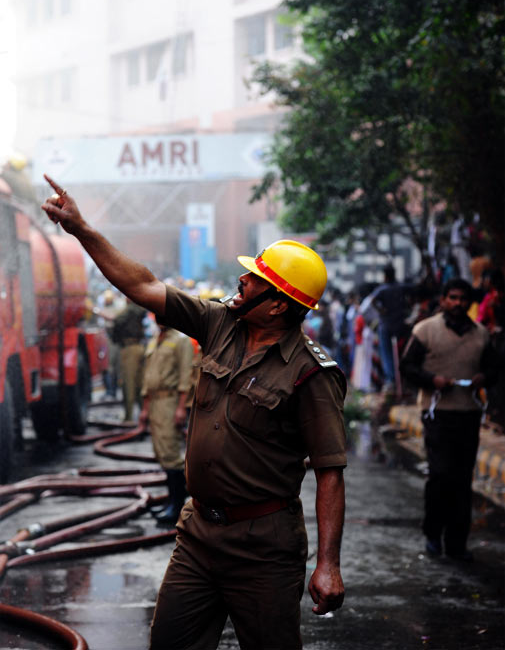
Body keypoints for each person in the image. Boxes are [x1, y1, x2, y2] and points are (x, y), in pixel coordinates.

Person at [41, 175, 347, 650]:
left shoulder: (310, 373)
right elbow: (142, 284)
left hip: (263, 548)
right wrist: (81, 229)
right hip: (199, 533)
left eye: (257, 279)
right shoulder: (218, 322)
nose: (242, 279)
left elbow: (330, 471)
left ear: (278, 307)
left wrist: (328, 564)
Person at [400, 278, 499, 561]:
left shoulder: (480, 334)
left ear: (469, 302)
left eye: (462, 299)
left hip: (468, 413)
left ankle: (457, 543)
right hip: (437, 414)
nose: (458, 303)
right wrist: (433, 380)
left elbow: (494, 368)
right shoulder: (425, 330)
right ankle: (433, 535)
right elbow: (407, 366)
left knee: (462, 480)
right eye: (453, 298)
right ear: (443, 300)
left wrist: (484, 377)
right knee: (440, 475)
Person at [141, 324, 195, 525]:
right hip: (154, 401)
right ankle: (171, 502)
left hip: (170, 401)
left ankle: (177, 505)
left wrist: (182, 407)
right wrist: (145, 409)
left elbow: (185, 376)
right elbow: (148, 378)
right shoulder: (156, 339)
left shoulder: (181, 340)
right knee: (161, 452)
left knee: (171, 453)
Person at [370, 265, 414, 394]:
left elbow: (372, 301)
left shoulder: (382, 289)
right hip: (400, 324)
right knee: (402, 352)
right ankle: (402, 379)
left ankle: (392, 380)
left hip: (386, 325)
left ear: (385, 276)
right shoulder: (401, 287)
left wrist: (382, 310)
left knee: (387, 353)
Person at [112, 297, 146, 421]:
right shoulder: (140, 310)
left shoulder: (128, 310)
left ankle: (129, 417)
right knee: (140, 383)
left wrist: (115, 337)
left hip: (129, 349)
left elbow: (117, 320)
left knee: (128, 384)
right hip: (140, 347)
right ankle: (144, 414)